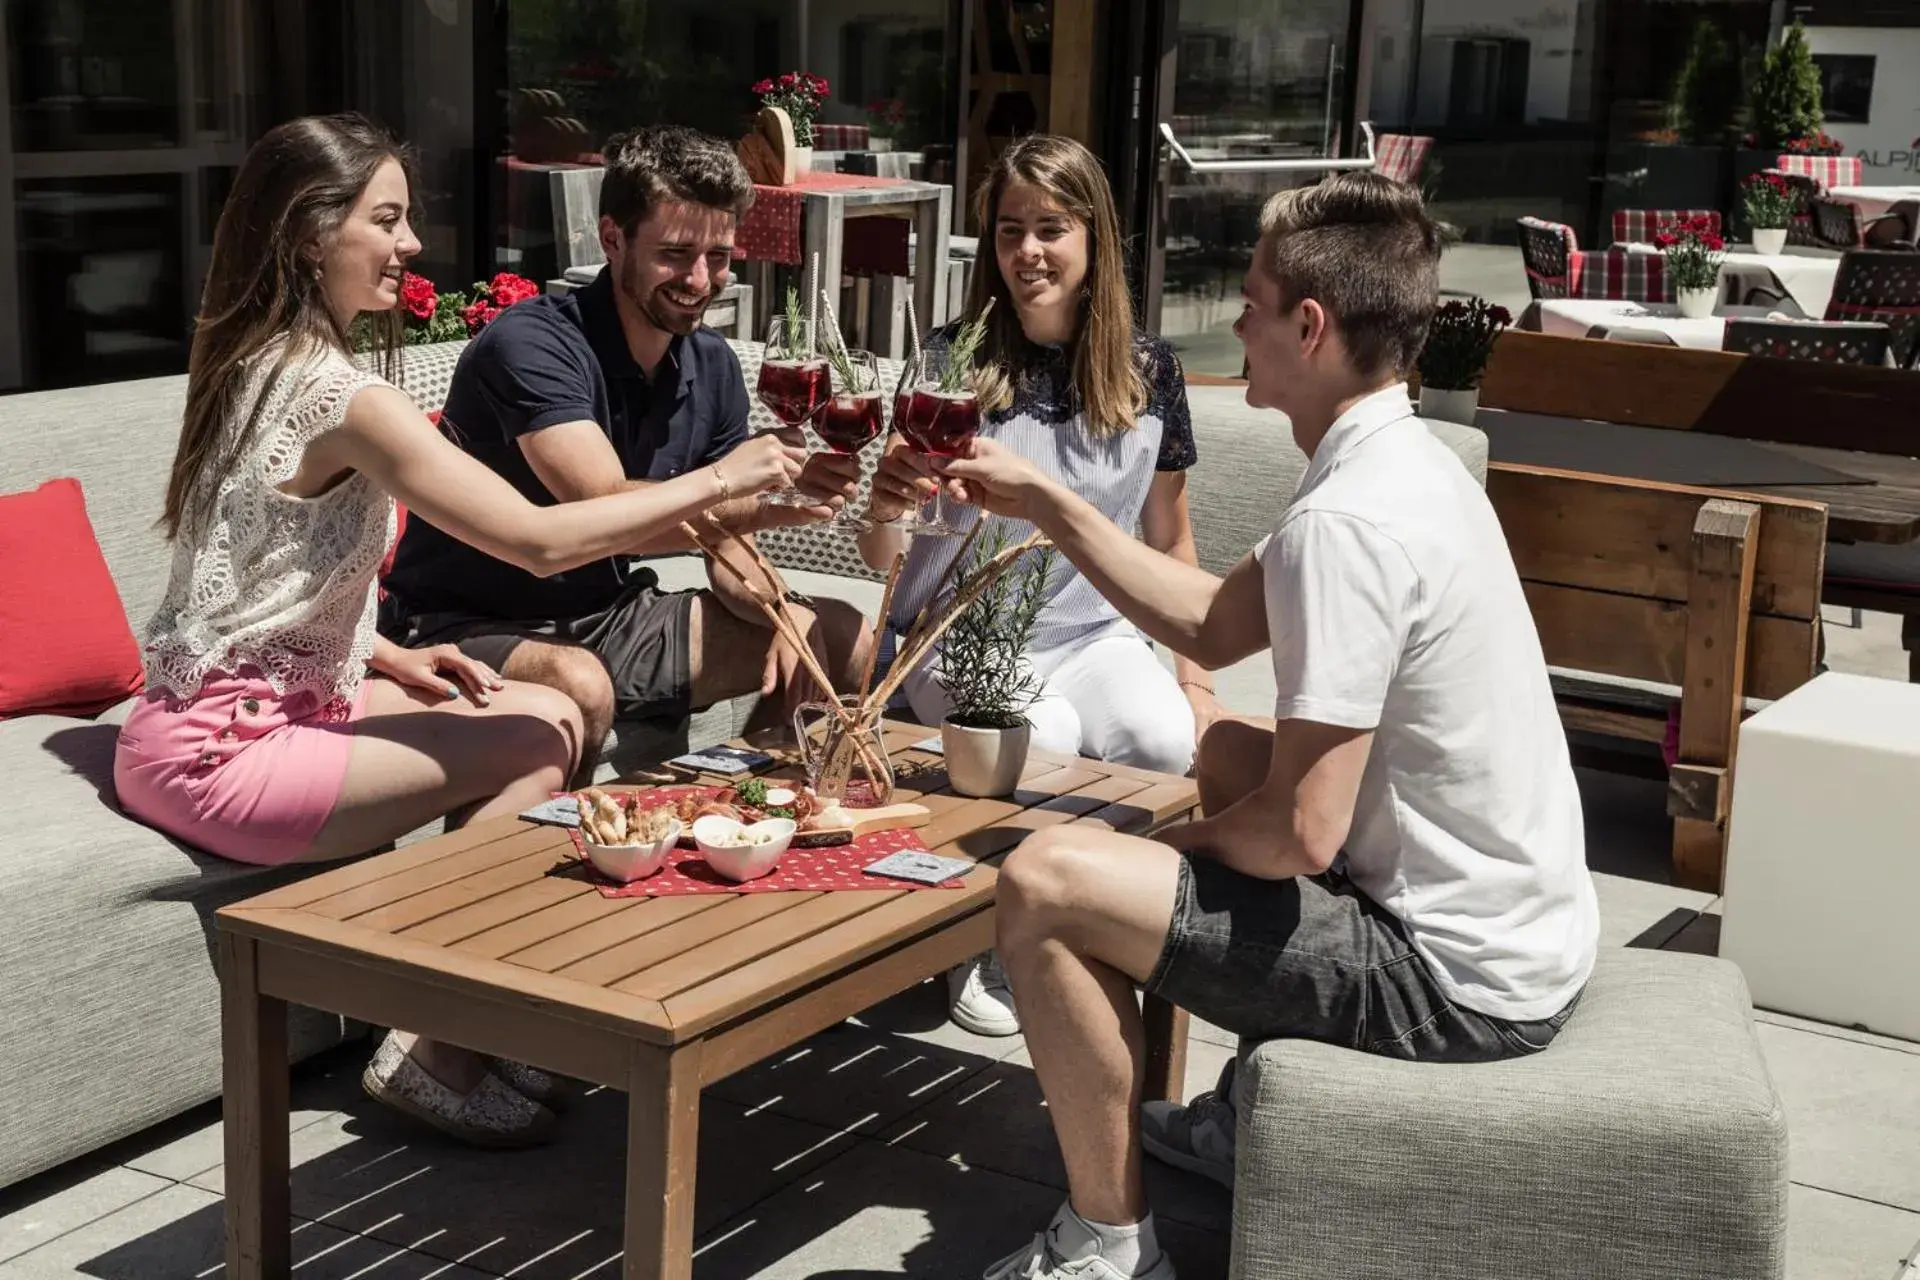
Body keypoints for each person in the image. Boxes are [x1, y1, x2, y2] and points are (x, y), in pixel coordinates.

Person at [937, 172, 1599, 1280]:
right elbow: (1204, 616)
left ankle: (1105, 1244)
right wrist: (1049, 503)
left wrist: (1139, 856)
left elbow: (1300, 835)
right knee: (1229, 749)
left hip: (1451, 981)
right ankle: (1238, 1123)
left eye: (1249, 300)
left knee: (1049, 884)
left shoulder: (1351, 522)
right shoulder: (1404, 463)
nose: (1234, 319)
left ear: (1310, 325)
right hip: (1516, 930)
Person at [113, 114, 805, 1149]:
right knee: (543, 735)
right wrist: (722, 480)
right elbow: (535, 542)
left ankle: (502, 990)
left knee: (537, 701)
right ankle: (431, 1040)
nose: (411, 246)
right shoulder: (346, 395)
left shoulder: (252, 357)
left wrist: (376, 650)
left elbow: (247, 572)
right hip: (223, 749)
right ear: (311, 235)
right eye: (386, 221)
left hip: (213, 712)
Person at [855, 134, 1220, 1039]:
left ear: (1094, 236)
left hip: (1094, 634)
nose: (1027, 252)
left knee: (1158, 736)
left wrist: (1199, 682)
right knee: (1038, 736)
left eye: (1050, 228)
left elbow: (1169, 536)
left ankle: (1089, 919)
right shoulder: (951, 362)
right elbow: (882, 557)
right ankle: (987, 936)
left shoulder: (1150, 372)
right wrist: (884, 499)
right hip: (959, 634)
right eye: (1009, 229)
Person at [379, 125, 871, 773]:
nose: (699, 279)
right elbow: (602, 508)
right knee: (580, 684)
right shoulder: (532, 346)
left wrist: (785, 610)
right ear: (613, 238)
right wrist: (728, 480)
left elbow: (723, 542)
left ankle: (762, 816)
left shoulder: (713, 364)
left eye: (719, 256)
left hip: (609, 615)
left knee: (841, 636)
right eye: (675, 253)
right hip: (461, 621)